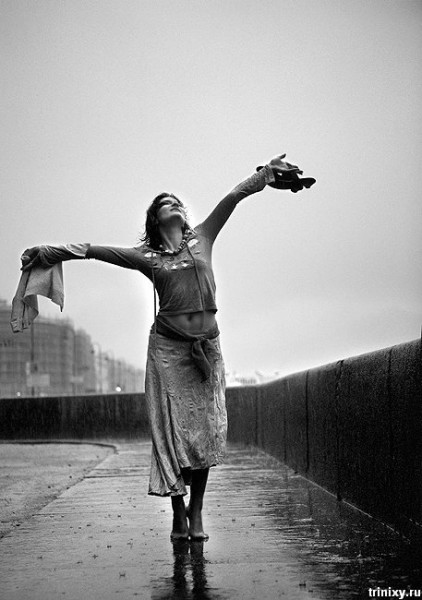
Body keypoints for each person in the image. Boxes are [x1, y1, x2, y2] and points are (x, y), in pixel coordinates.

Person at [20, 154, 314, 541]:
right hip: (167, 352)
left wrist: (265, 174)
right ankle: (178, 510)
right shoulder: (148, 257)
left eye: (177, 202)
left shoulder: (203, 237)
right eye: (166, 203)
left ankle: (197, 510)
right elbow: (93, 250)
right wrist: (48, 252)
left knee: (205, 431)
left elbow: (234, 197)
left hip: (206, 350)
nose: (174, 204)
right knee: (170, 433)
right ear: (156, 220)